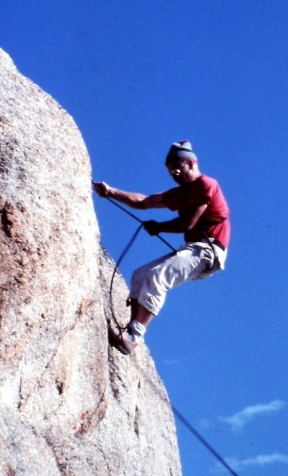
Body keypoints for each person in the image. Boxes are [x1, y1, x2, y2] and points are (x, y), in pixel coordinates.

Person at [93, 141, 230, 354]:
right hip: (195, 247)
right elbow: (144, 202)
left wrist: (159, 227)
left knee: (157, 276)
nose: (174, 174)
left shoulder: (206, 184)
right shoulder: (179, 193)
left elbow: (188, 224)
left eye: (177, 168)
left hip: (208, 251)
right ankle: (131, 332)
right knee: (140, 275)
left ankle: (135, 335)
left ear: (191, 163)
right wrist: (110, 192)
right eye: (170, 171)